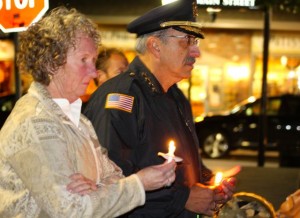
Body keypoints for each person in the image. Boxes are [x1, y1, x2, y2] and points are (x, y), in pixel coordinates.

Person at [0, 6, 176, 217]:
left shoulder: (79, 120)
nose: (93, 72)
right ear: (50, 63)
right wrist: (139, 184)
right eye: (84, 60)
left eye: (93, 61)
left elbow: (115, 175)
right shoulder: (35, 122)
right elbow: (71, 210)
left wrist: (94, 185)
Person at [84, 0, 237, 217]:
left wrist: (210, 184)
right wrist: (184, 198)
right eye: (187, 41)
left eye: (195, 42)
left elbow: (183, 167)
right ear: (155, 46)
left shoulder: (176, 97)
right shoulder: (121, 97)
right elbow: (109, 183)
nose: (196, 53)